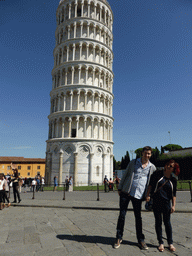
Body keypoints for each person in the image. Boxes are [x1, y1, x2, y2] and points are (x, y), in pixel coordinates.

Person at [114, 146, 156, 250]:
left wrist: (148, 195)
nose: (147, 155)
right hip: (126, 192)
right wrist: (120, 188)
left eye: (149, 154)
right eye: (145, 153)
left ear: (151, 155)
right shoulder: (133, 162)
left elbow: (152, 183)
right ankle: (119, 238)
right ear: (142, 153)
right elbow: (126, 174)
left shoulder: (152, 167)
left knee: (138, 217)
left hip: (138, 195)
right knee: (122, 215)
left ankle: (141, 240)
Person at [146, 159, 180, 252]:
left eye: (171, 166)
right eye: (168, 164)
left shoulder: (173, 180)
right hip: (156, 202)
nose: (168, 166)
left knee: (167, 223)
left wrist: (173, 205)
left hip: (166, 203)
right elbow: (151, 185)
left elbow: (174, 194)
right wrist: (148, 195)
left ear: (173, 169)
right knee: (158, 222)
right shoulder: (157, 174)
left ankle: (170, 243)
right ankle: (160, 242)